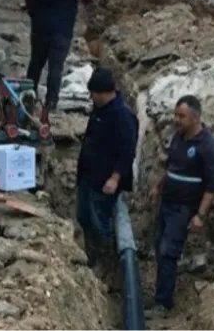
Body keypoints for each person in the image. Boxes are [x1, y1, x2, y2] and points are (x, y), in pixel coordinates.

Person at [145, 95, 214, 319]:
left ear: (196, 118)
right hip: (167, 203)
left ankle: (163, 303)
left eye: (182, 116)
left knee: (169, 252)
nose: (177, 120)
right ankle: (161, 293)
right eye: (176, 115)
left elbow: (211, 186)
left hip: (183, 209)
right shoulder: (178, 138)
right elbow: (170, 167)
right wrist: (157, 187)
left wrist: (200, 215)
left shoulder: (208, 147)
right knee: (159, 247)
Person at [76, 68, 139, 276]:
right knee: (84, 217)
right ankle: (89, 255)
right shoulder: (100, 109)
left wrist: (115, 178)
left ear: (104, 92)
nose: (91, 98)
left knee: (100, 221)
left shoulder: (123, 116)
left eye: (93, 93)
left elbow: (128, 151)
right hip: (88, 175)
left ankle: (105, 265)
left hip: (104, 181)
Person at [24, 0, 94, 110]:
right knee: (56, 67)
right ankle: (50, 103)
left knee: (35, 63)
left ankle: (27, 99)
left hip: (40, 25)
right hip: (62, 29)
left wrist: (34, 15)